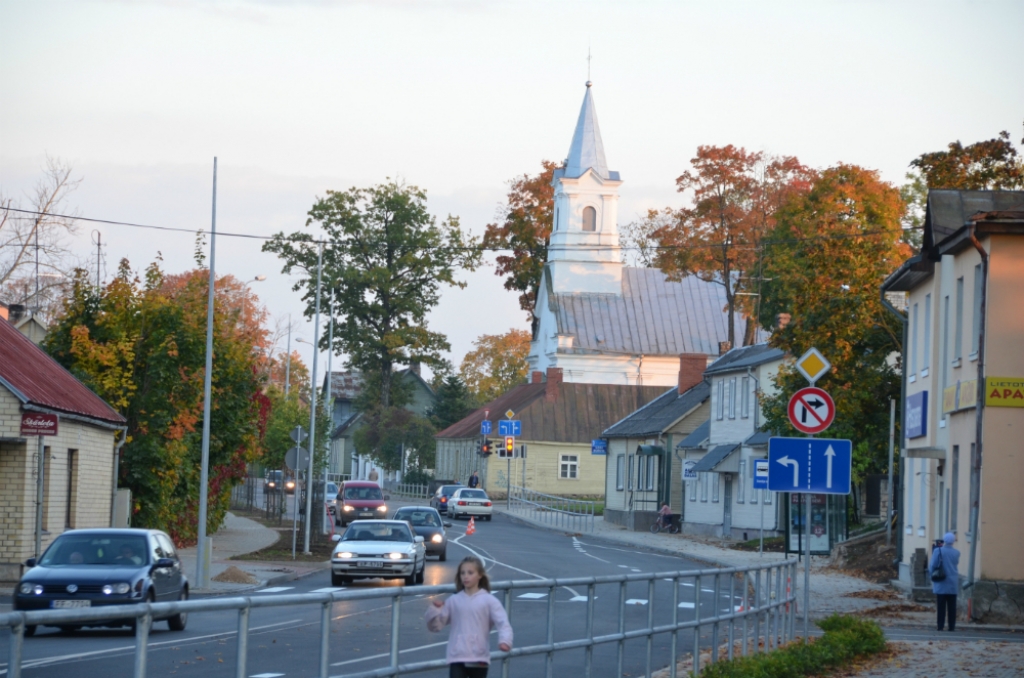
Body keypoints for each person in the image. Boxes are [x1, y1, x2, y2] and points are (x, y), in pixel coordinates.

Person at [425, 556, 513, 678]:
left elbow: (503, 623)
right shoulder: (454, 600)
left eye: (470, 573)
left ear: (480, 575)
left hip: (478, 656)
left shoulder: (489, 601)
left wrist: (505, 641)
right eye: (462, 573)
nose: (465, 576)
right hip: (457, 656)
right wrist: (435, 610)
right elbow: (436, 627)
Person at [929, 531, 960, 631]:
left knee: (941, 606)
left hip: (941, 581)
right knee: (952, 606)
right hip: (953, 582)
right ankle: (952, 626)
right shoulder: (957, 552)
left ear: (944, 540)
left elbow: (932, 565)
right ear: (953, 541)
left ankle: (940, 625)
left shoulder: (938, 551)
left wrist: (932, 576)